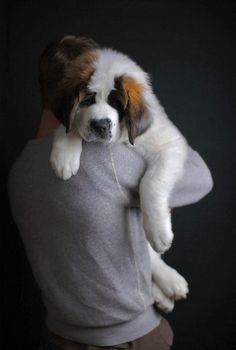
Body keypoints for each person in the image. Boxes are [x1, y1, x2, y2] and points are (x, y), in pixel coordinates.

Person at [8, 109, 213, 350]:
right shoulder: (109, 156)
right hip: (126, 339)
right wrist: (157, 121)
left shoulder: (20, 169)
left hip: (56, 335)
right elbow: (200, 176)